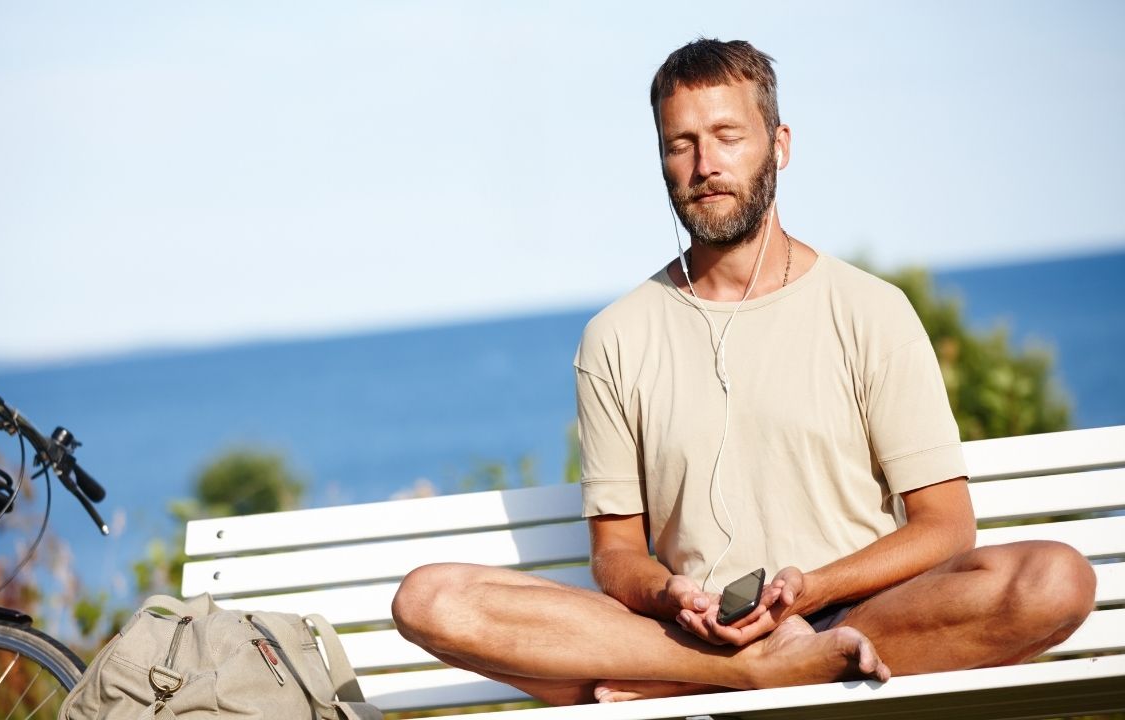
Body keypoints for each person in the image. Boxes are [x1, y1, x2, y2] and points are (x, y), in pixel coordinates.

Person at [390, 37, 1096, 705]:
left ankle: (731, 678)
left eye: (728, 136)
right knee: (428, 599)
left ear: (778, 146)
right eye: (681, 145)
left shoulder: (871, 310)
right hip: (689, 634)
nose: (706, 166)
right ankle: (751, 672)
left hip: (865, 611)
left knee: (1054, 579)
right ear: (662, 160)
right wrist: (672, 597)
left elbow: (946, 528)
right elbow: (616, 556)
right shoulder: (616, 336)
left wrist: (811, 590)